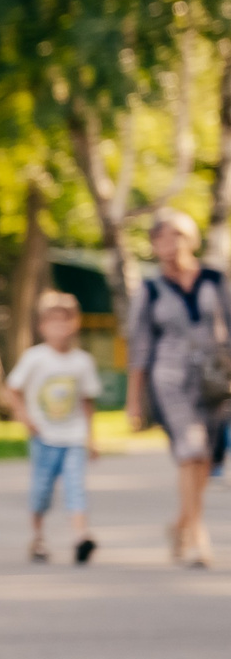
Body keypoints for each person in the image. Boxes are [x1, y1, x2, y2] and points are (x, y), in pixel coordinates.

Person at [127, 208, 226, 566]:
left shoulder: (215, 279)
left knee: (207, 458)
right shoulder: (150, 290)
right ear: (154, 246)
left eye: (177, 235)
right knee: (191, 452)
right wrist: (133, 400)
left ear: (192, 238)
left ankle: (180, 522)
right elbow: (138, 347)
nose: (170, 244)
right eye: (162, 238)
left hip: (214, 381)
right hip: (169, 379)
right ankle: (199, 538)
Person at [1, 290, 101, 565]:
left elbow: (87, 402)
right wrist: (24, 417)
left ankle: (81, 536)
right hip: (44, 436)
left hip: (73, 437)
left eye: (65, 321)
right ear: (42, 326)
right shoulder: (35, 358)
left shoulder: (82, 361)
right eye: (53, 322)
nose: (60, 327)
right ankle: (38, 537)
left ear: (75, 323)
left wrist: (91, 438)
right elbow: (12, 388)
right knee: (41, 490)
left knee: (75, 487)